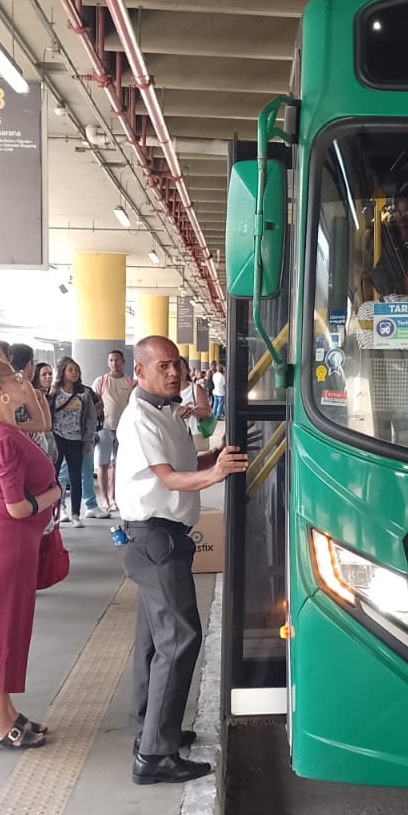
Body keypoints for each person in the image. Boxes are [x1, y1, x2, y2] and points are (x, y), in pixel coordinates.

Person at [116, 336, 248, 784]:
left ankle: (151, 730)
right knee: (180, 639)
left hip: (163, 537)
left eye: (178, 365)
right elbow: (170, 478)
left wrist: (218, 455)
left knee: (156, 641)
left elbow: (188, 461)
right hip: (154, 538)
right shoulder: (139, 419)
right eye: (164, 366)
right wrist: (214, 474)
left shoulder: (168, 412)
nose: (174, 373)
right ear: (140, 372)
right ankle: (154, 757)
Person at [0, 359, 65, 750]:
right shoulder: (3, 436)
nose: (24, 382)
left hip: (4, 538)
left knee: (8, 627)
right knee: (1, 629)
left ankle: (3, 713)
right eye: (15, 378)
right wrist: (55, 493)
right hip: (7, 538)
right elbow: (17, 506)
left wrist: (31, 393)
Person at [49, 357, 98, 526]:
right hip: (57, 438)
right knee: (54, 476)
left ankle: (76, 514)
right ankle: (56, 510)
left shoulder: (84, 393)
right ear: (62, 372)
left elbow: (91, 417)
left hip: (76, 439)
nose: (74, 373)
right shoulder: (54, 392)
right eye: (70, 370)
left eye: (76, 370)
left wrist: (88, 439)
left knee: (75, 477)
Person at [92, 348, 136, 517]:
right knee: (102, 465)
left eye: (117, 360)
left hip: (123, 430)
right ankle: (104, 499)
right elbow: (93, 404)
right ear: (107, 362)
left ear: (123, 361)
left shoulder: (130, 383)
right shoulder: (101, 381)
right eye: (111, 360)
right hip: (104, 428)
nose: (114, 363)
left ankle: (114, 497)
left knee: (118, 465)